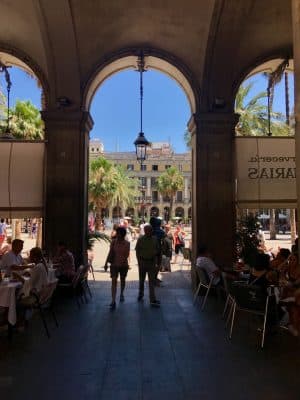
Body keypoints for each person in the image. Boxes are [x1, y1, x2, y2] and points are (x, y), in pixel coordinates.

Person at [135, 224, 160, 307]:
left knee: (151, 281)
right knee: (141, 280)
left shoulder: (155, 239)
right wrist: (139, 261)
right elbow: (137, 251)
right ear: (145, 231)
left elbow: (157, 250)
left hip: (151, 262)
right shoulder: (140, 239)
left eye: (150, 230)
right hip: (142, 261)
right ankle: (140, 294)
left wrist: (156, 261)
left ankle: (152, 299)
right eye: (147, 230)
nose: (149, 231)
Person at [106, 226, 130, 309]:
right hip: (114, 265)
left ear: (122, 234)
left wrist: (121, 263)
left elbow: (126, 255)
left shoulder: (127, 243)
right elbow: (110, 252)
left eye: (118, 233)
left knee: (123, 280)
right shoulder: (113, 242)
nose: (117, 234)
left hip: (123, 265)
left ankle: (122, 293)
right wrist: (106, 263)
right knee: (113, 281)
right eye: (117, 233)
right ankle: (113, 300)